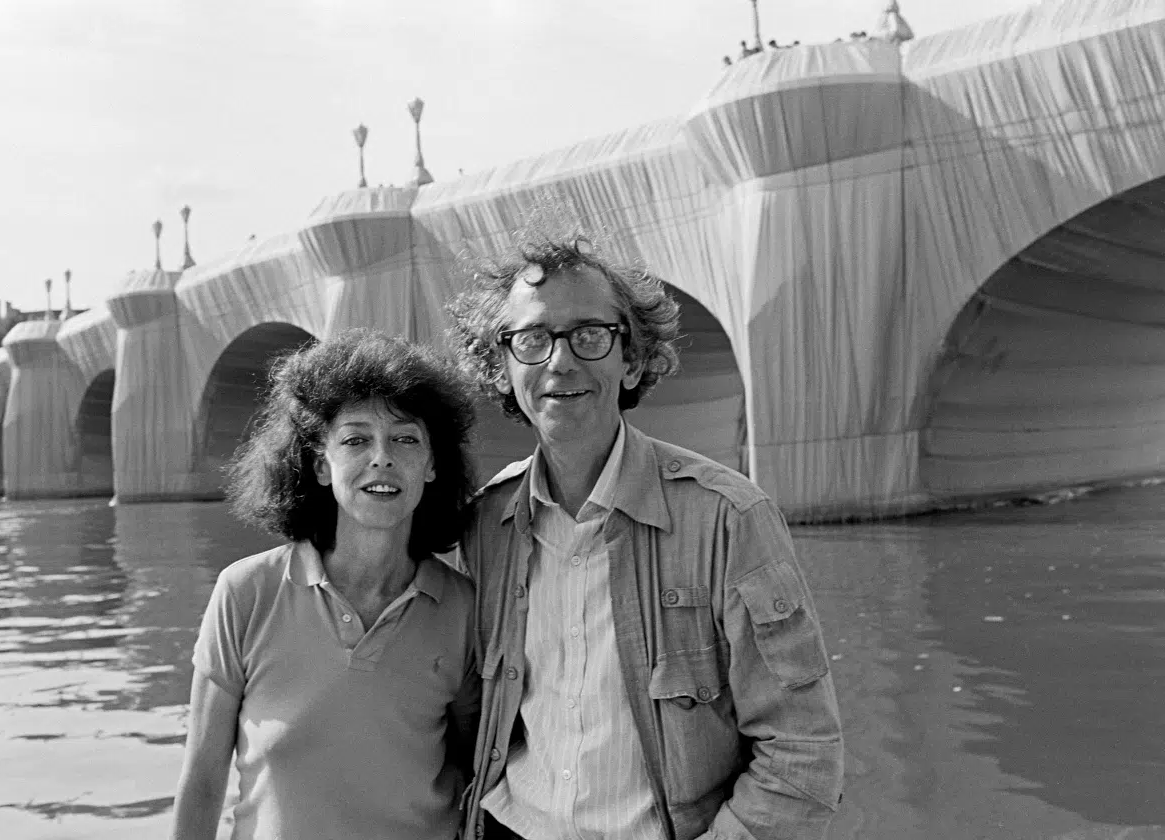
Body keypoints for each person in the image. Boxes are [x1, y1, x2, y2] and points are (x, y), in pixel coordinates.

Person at [447, 235, 844, 840]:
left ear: (631, 359)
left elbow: (802, 750)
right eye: (531, 339)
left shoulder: (727, 519)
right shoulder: (485, 525)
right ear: (502, 370)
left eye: (590, 334)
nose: (559, 361)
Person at [170, 330, 481, 840]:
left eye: (405, 439)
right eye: (356, 439)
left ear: (431, 466)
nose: (381, 457)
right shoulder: (245, 592)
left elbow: (475, 773)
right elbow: (203, 781)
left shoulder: (464, 607)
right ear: (320, 464)